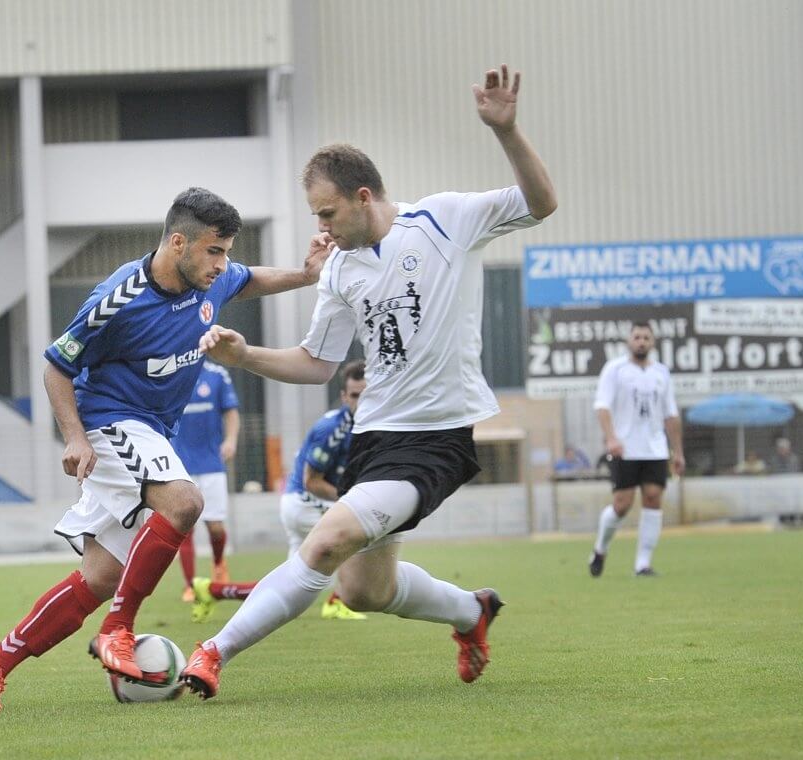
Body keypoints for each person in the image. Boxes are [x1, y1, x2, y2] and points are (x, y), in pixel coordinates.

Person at [179, 63, 557, 699]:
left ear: (363, 197)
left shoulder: (445, 221)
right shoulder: (340, 271)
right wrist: (246, 357)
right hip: (374, 437)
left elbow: (541, 204)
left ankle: (212, 652)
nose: (321, 229)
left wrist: (508, 131)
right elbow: (317, 364)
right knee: (363, 591)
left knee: (327, 542)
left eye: (328, 213)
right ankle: (472, 611)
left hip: (435, 439)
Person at [0, 187, 329, 710]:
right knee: (185, 503)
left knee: (101, 577)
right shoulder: (117, 300)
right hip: (111, 423)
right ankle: (118, 631)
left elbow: (251, 279)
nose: (223, 264)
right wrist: (76, 437)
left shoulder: (211, 280)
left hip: (151, 432)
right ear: (178, 242)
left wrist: (306, 275)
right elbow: (57, 366)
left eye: (226, 251)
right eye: (214, 251)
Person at [189, 359, 369, 623]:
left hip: (310, 503)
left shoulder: (366, 426)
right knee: (357, 533)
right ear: (344, 397)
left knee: (290, 585)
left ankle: (213, 590)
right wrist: (350, 499)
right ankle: (336, 601)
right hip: (304, 501)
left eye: (367, 395)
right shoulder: (331, 430)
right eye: (355, 395)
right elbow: (312, 482)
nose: (361, 402)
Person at [588, 322, 685, 578]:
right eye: (637, 337)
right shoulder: (615, 370)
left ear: (652, 342)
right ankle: (600, 548)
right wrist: (611, 438)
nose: (641, 341)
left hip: (655, 449)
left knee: (653, 498)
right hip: (625, 448)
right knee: (622, 505)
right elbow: (602, 406)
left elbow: (671, 414)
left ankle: (643, 564)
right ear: (629, 341)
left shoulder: (661, 373)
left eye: (646, 337)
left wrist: (678, 452)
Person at [171, 359, 241, 603]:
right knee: (185, 528)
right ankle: (190, 585)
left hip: (211, 463)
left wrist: (231, 440)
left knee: (215, 527)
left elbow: (231, 410)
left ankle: (219, 563)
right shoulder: (170, 371)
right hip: (179, 465)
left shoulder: (217, 374)